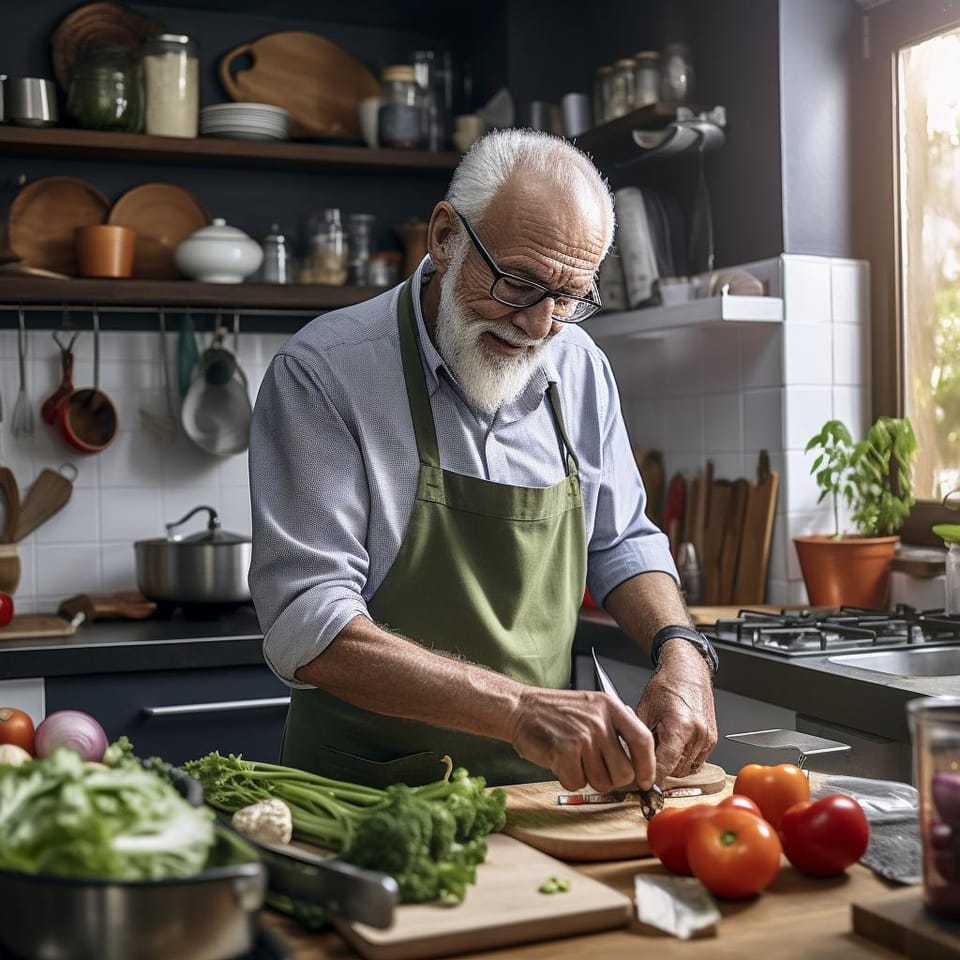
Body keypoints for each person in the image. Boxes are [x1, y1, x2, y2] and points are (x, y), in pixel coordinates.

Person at [249, 128, 717, 793]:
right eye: (519, 282)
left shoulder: (579, 365)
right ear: (445, 237)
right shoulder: (325, 373)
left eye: (568, 298)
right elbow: (308, 622)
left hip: (544, 794)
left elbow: (623, 541)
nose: (537, 325)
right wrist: (522, 709)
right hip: (369, 797)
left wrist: (683, 652)